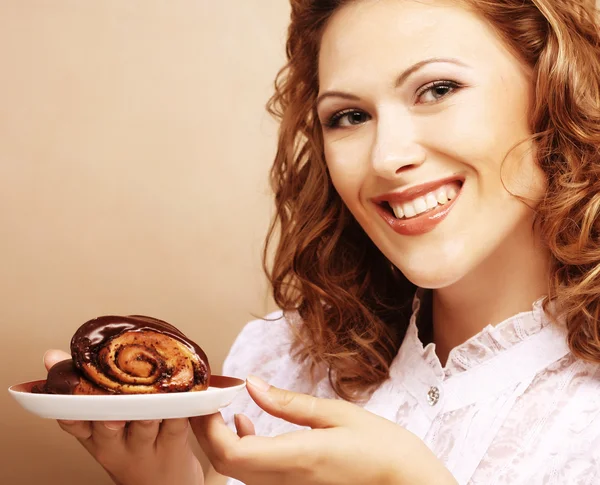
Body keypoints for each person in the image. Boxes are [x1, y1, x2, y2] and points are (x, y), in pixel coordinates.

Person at [43, 0, 600, 483]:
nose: (386, 157)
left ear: (553, 87)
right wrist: (166, 479)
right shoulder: (281, 358)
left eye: (437, 89)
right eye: (350, 116)